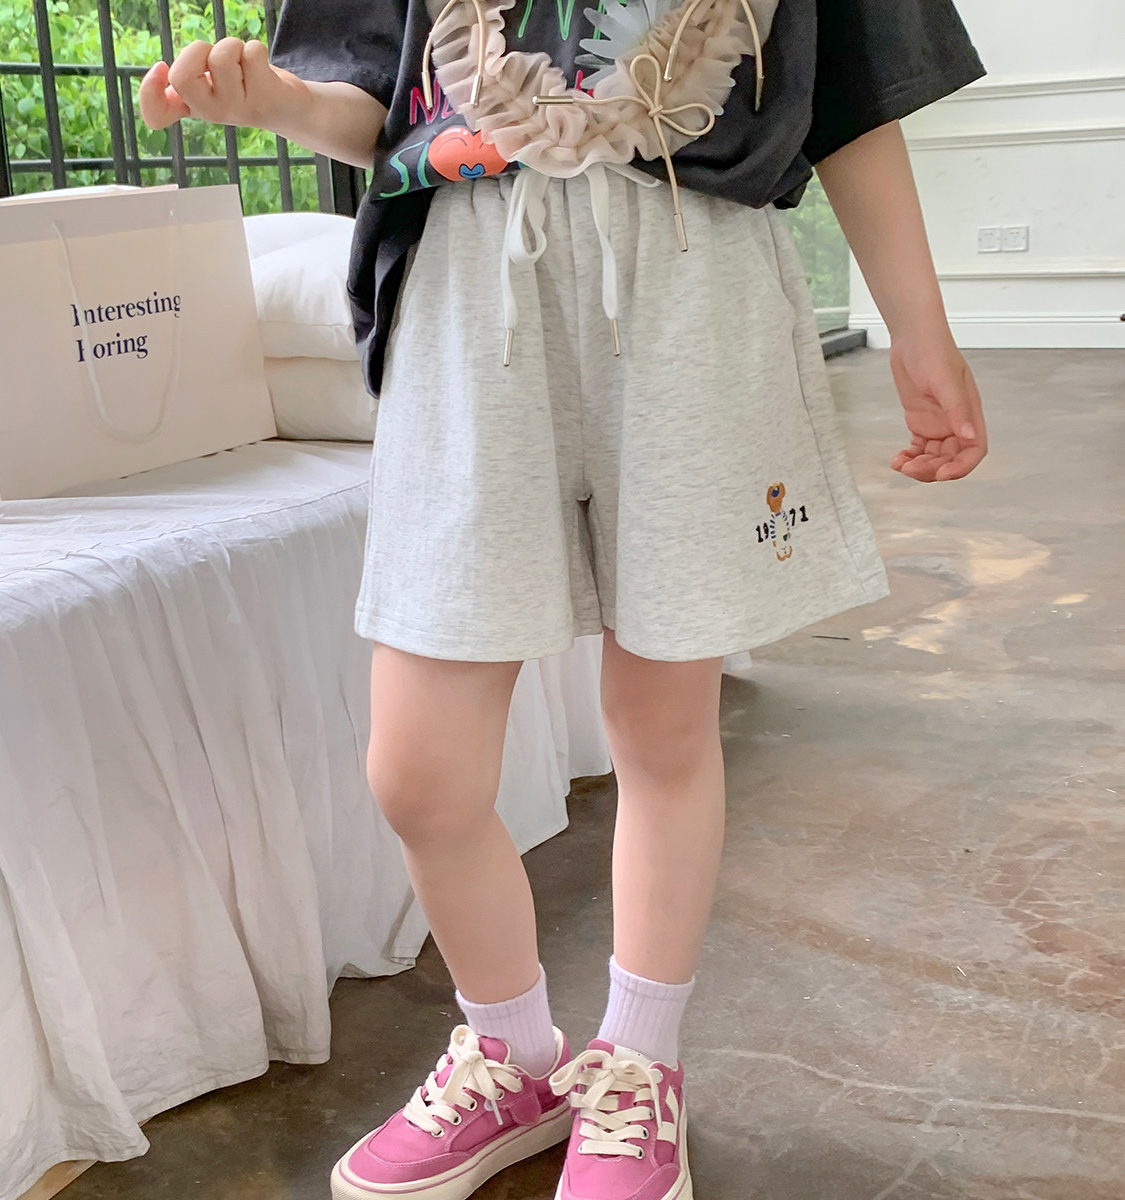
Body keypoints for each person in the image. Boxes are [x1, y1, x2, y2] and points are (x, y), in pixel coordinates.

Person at [141, 2, 989, 1197]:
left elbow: (856, 95)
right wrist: (271, 103)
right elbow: (376, 105)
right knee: (419, 772)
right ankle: (512, 1056)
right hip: (469, 295)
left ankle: (639, 1062)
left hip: (693, 276)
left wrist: (920, 330)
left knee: (662, 724)